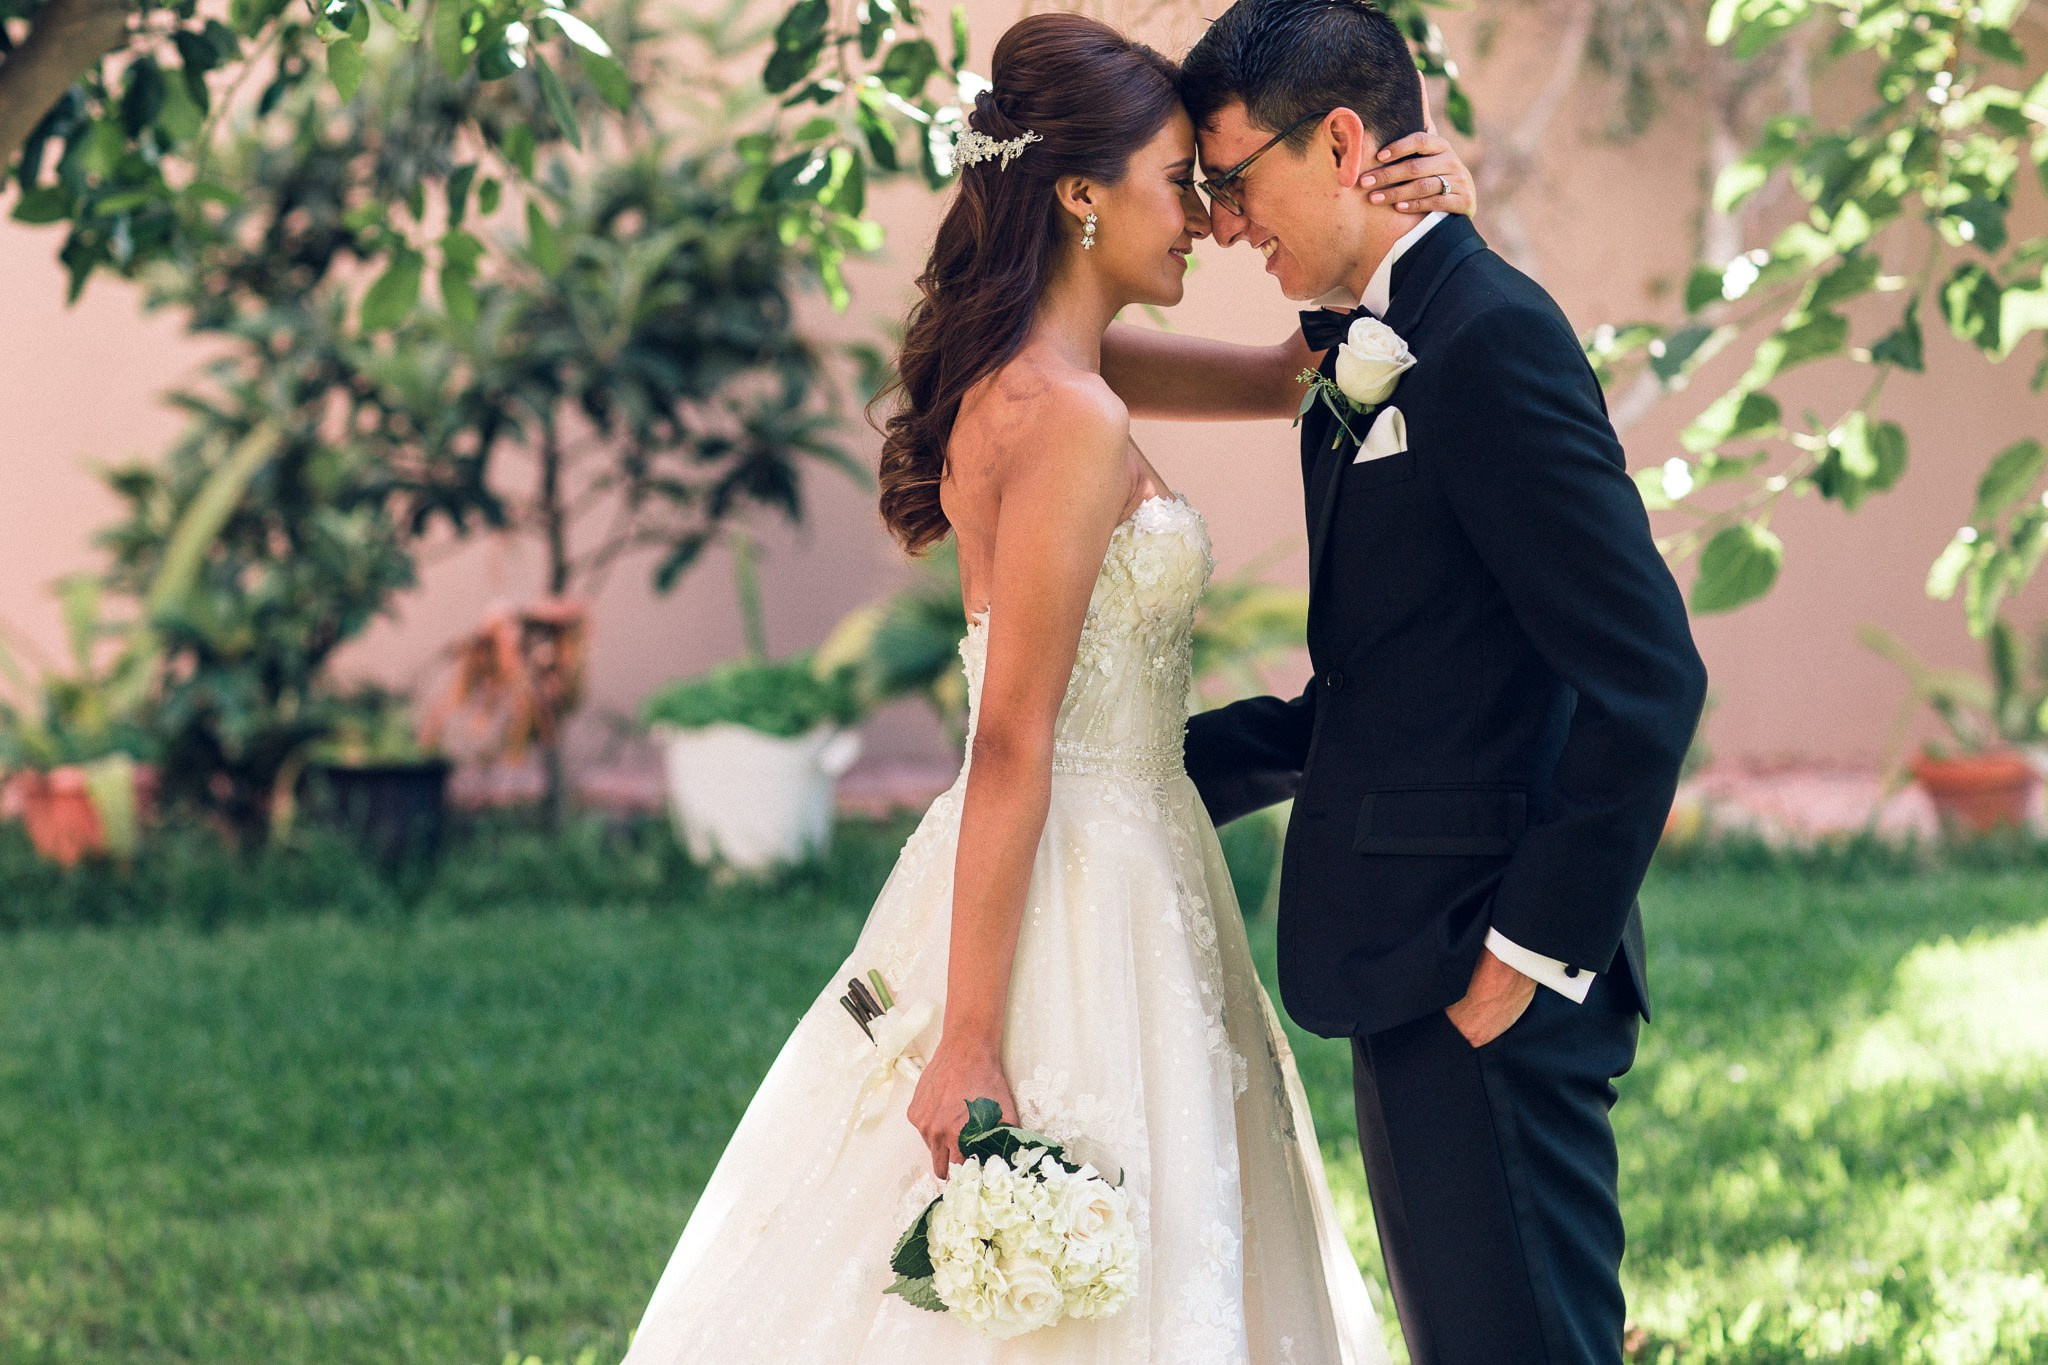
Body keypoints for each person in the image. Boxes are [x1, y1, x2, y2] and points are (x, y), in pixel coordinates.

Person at [617, 11, 1480, 1363]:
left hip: (1123, 846)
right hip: (1084, 872)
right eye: (1178, 181)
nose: (1203, 217)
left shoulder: (1052, 371)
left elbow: (1290, 372)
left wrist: (1425, 218)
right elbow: (1013, 741)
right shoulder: (1068, 415)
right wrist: (967, 1040)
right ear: (1079, 191)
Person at [1113, 1, 1705, 1361]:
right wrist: (1147, 774)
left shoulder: (1484, 337)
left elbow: (1647, 674)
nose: (1221, 224)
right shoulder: (1381, 336)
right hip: (1409, 954)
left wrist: (1528, 953)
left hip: (1480, 958)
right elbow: (1400, 682)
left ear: (1336, 141)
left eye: (1234, 181)